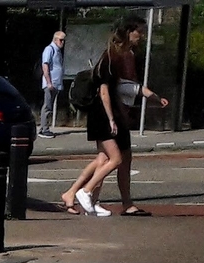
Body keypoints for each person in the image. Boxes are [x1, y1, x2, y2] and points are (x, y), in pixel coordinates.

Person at [61, 18, 161, 217]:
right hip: (105, 115)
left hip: (115, 114)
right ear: (128, 32)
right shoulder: (112, 56)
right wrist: (111, 119)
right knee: (115, 159)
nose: (141, 37)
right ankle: (86, 192)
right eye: (139, 32)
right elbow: (105, 90)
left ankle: (76, 194)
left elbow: (122, 85)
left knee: (105, 159)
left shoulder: (124, 55)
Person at [40, 29, 66, 135]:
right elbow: (45, 65)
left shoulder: (58, 51)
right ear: (55, 40)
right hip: (50, 83)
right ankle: (43, 129)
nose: (62, 42)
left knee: (50, 106)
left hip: (56, 83)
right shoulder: (49, 49)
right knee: (47, 106)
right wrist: (48, 82)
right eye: (61, 40)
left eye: (63, 40)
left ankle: (46, 127)